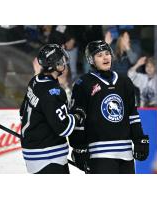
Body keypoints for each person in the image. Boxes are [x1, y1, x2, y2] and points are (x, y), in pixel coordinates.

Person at [69, 40, 149, 174]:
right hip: (99, 154)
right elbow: (78, 120)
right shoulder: (83, 83)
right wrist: (79, 148)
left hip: (125, 153)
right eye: (99, 55)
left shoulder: (125, 81)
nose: (105, 57)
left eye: (107, 53)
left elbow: (132, 115)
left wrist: (139, 139)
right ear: (91, 60)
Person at [20, 44, 85, 174]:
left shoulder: (35, 80)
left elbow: (22, 113)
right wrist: (78, 115)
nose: (64, 62)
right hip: (48, 157)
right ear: (53, 65)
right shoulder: (53, 92)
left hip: (33, 153)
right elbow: (64, 127)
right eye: (61, 60)